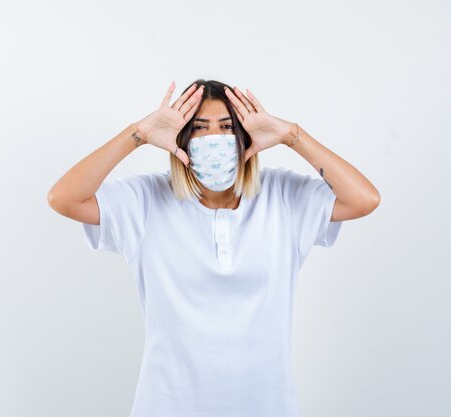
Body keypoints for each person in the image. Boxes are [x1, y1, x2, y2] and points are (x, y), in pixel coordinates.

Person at [47, 79, 381, 417]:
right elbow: (63, 198)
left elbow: (364, 200)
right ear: (182, 139)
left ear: (243, 136)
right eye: (199, 128)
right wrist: (139, 134)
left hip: (267, 407)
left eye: (226, 127)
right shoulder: (145, 201)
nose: (213, 139)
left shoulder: (283, 196)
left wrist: (291, 135)